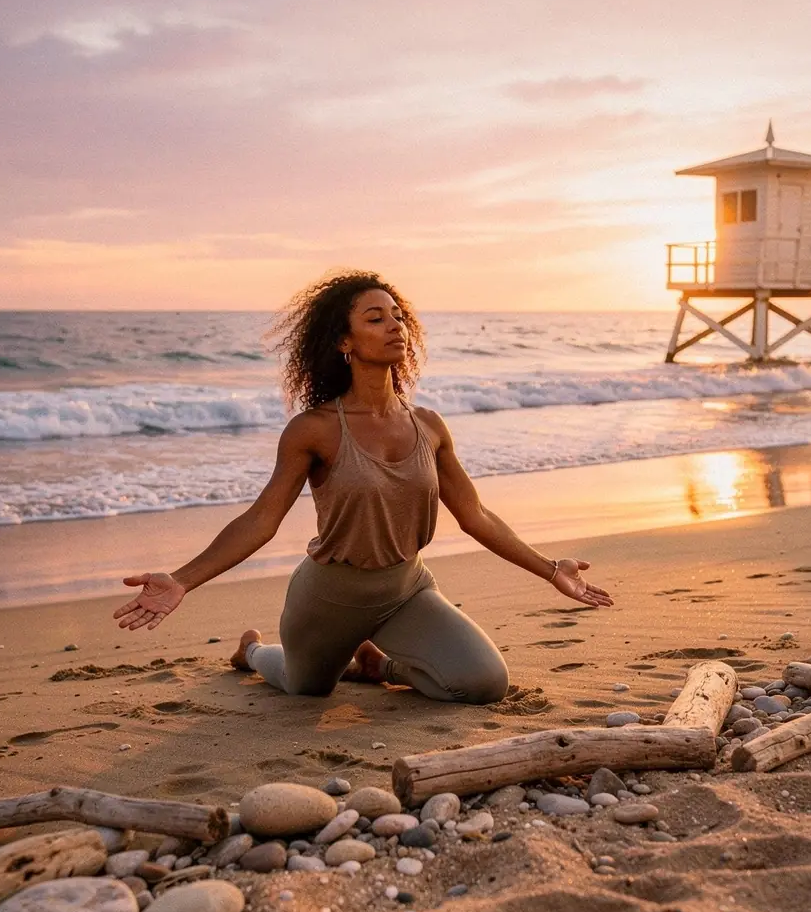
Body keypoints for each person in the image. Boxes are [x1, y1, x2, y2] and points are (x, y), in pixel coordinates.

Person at [113, 270, 613, 704]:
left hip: (406, 590)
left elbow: (476, 516)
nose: (394, 325)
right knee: (305, 689)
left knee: (483, 684)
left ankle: (378, 666)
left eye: (397, 315)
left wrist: (552, 570)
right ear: (344, 342)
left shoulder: (429, 425)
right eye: (375, 318)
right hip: (329, 598)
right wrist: (182, 579)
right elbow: (261, 520)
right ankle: (252, 651)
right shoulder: (316, 429)